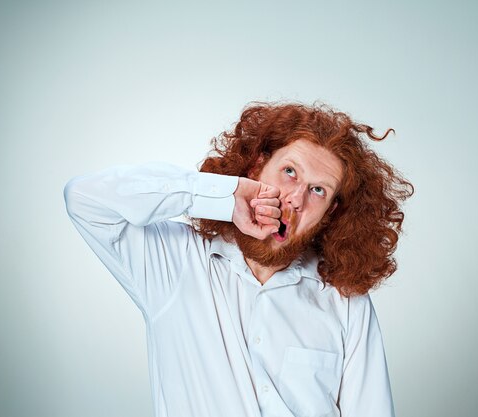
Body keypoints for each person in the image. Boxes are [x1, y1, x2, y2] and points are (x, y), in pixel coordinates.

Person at [64, 102, 413, 417]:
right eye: (289, 172)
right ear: (258, 165)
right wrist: (222, 195)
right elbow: (84, 199)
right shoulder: (175, 263)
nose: (295, 199)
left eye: (317, 190)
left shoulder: (344, 301)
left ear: (329, 212)